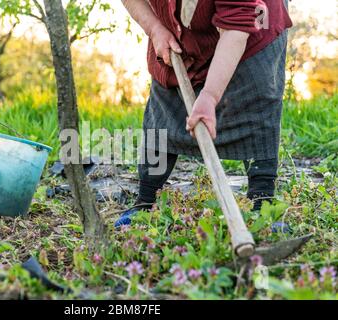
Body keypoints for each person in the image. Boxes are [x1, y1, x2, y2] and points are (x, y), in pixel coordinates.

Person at [116, 0, 292, 228]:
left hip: (251, 28)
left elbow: (237, 26)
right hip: (176, 27)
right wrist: (155, 29)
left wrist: (209, 96)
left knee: (255, 100)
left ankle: (262, 203)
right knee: (165, 105)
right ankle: (145, 202)